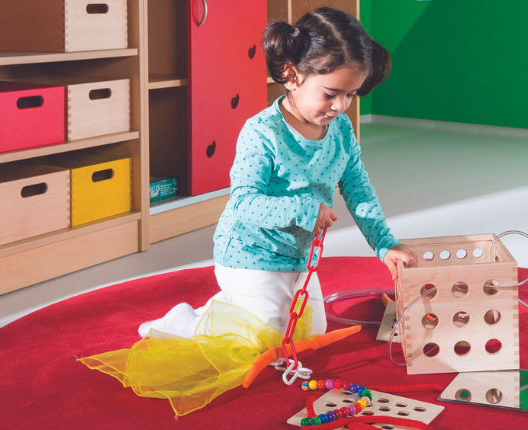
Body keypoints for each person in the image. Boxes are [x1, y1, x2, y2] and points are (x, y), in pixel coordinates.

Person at [139, 7, 417, 340]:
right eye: (331, 94)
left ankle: (233, 304)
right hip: (248, 254)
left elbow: (358, 190)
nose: (342, 106)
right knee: (268, 340)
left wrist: (386, 245)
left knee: (311, 333)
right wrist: (304, 210)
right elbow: (244, 202)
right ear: (291, 75)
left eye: (350, 95)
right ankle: (185, 322)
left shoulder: (340, 129)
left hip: (297, 256)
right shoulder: (262, 132)